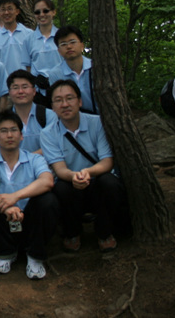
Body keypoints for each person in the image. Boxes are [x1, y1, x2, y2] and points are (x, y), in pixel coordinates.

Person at [39, 80, 126, 252]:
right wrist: (74, 176)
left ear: (79, 101)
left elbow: (107, 161)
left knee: (110, 183)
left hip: (97, 181)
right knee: (60, 188)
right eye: (58, 100)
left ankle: (104, 232)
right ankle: (72, 233)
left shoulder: (98, 123)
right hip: (71, 182)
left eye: (69, 98)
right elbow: (59, 169)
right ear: (52, 107)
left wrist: (87, 172)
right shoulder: (47, 133)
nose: (65, 104)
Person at [0, 111, 58, 279]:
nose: (9, 135)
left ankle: (35, 255)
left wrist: (15, 197)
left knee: (48, 201)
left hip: (30, 220)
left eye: (14, 130)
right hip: (3, 221)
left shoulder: (34, 160)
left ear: (21, 135)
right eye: (3, 131)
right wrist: (4, 205)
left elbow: (47, 181)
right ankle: (5, 252)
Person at [46, 26, 98, 114]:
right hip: (71, 118)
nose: (69, 46)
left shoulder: (95, 67)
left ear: (82, 45)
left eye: (73, 42)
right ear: (59, 51)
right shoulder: (55, 74)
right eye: (63, 44)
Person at [5, 70, 55, 153]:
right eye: (15, 88)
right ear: (9, 93)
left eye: (25, 87)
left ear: (34, 91)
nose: (20, 91)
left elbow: (54, 145)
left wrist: (27, 158)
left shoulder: (49, 115)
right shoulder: (3, 120)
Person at [0, 0, 31, 75]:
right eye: (3, 9)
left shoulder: (29, 34)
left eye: (10, 9)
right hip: (4, 81)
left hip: (26, 80)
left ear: (17, 11)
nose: (6, 12)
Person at [28, 0, 61, 84]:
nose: (41, 14)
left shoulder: (62, 36)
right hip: (38, 87)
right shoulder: (28, 39)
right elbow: (27, 67)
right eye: (37, 12)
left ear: (54, 12)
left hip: (61, 85)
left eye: (45, 11)